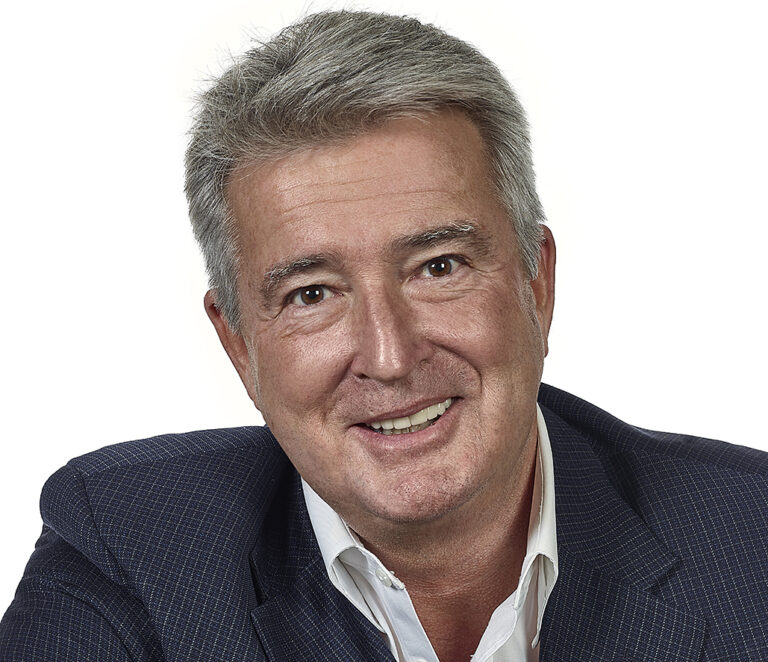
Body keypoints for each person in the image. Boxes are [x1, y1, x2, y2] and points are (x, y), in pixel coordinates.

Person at [1, 10, 767, 662]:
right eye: (311, 294)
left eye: (438, 267)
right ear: (239, 346)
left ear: (537, 283)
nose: (391, 357)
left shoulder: (752, 542)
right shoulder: (133, 550)